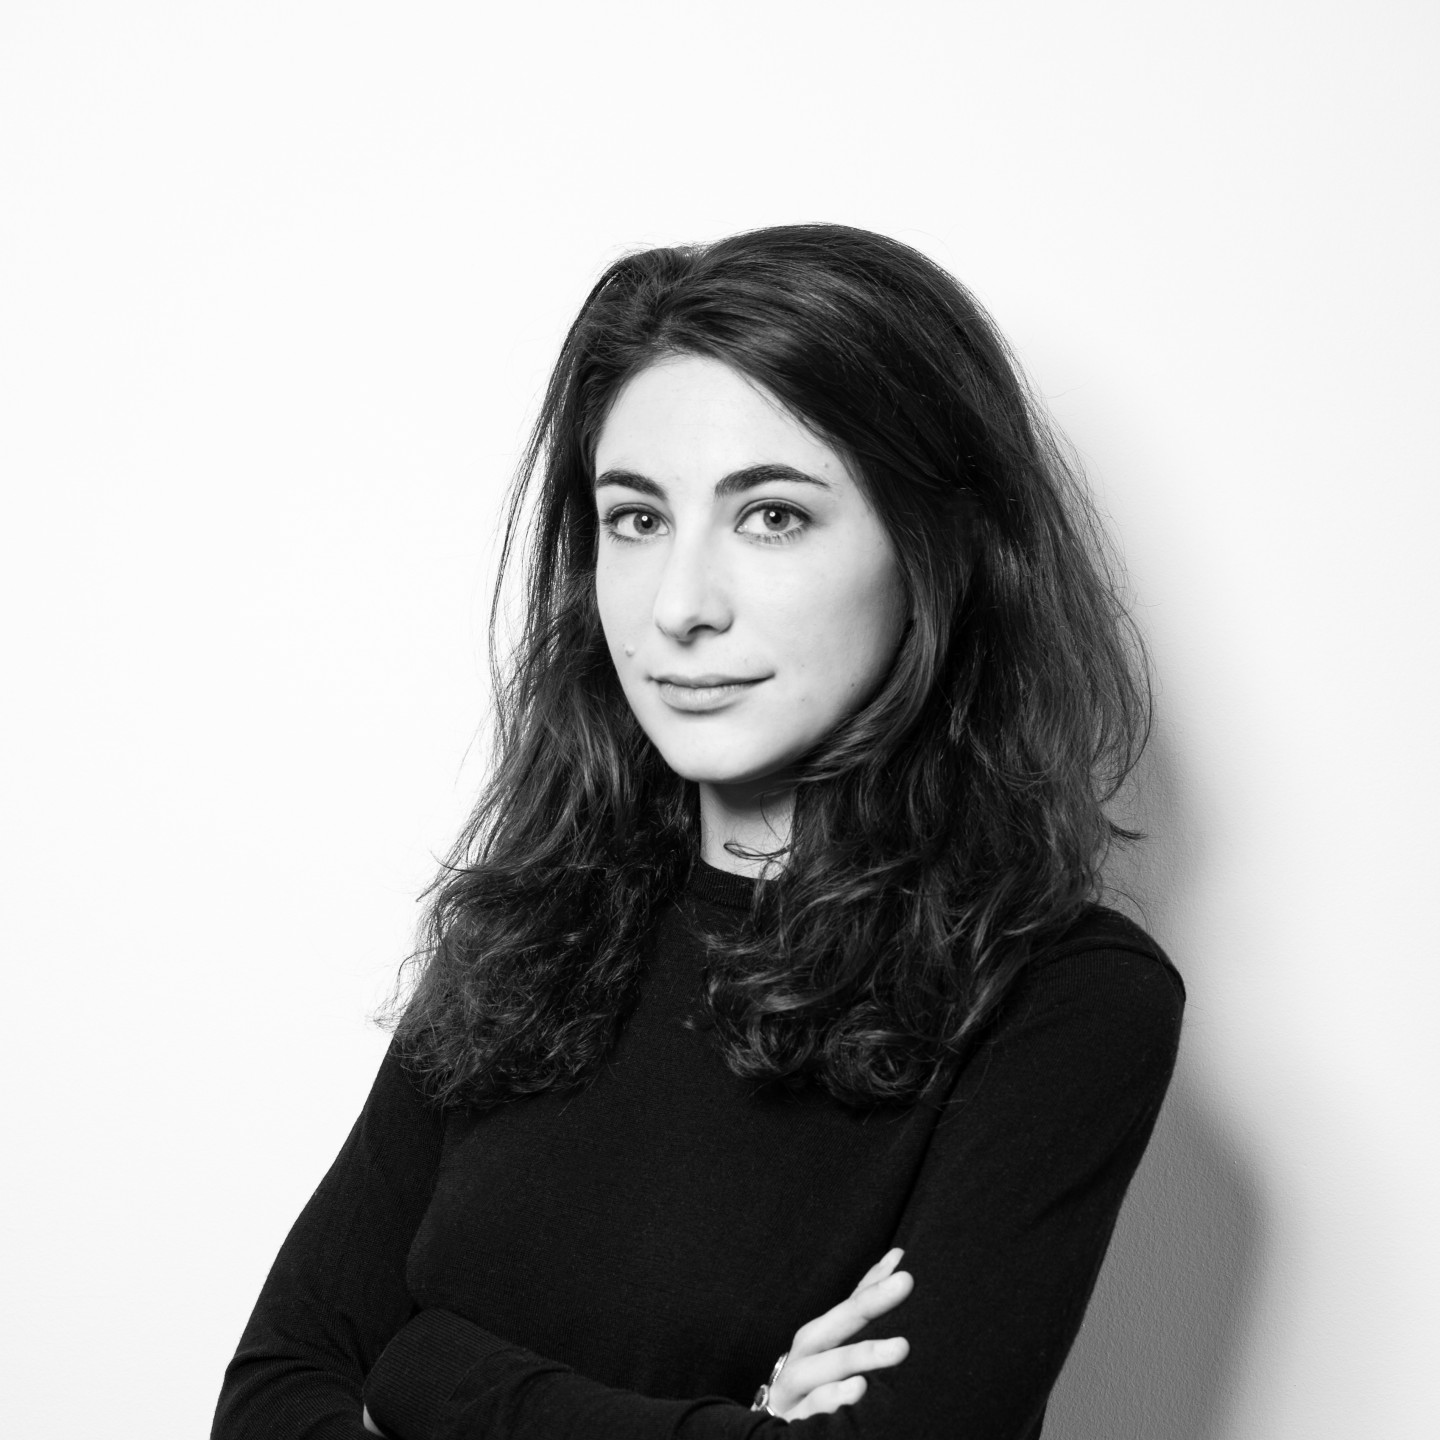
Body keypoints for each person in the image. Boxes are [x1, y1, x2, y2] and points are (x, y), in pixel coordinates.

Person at [212, 224, 1185, 1440]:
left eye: (771, 516)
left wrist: (428, 1372)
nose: (679, 606)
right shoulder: (528, 928)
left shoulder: (1062, 1001)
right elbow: (270, 1398)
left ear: (936, 551)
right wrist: (739, 1422)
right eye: (635, 519)